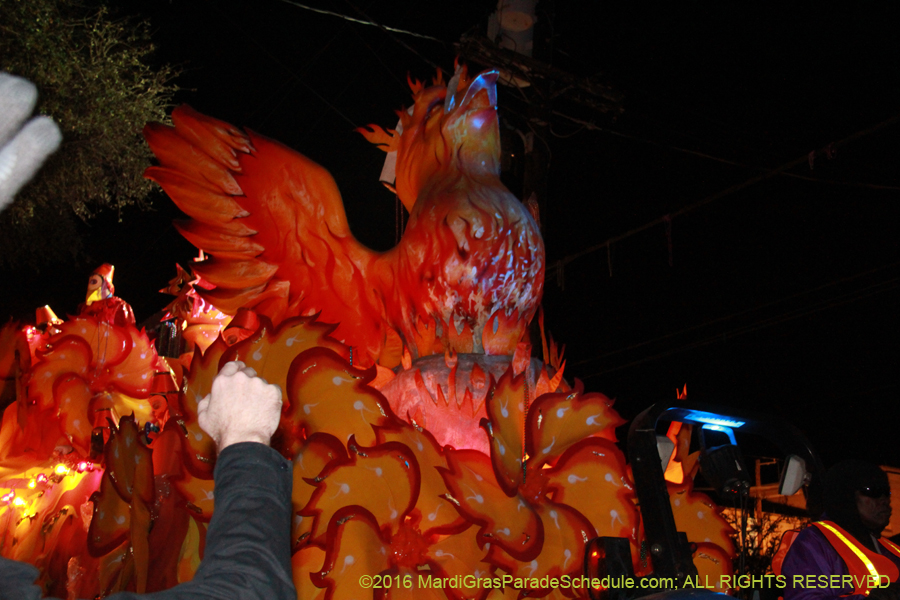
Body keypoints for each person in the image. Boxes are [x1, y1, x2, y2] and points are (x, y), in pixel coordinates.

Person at [0, 361, 296, 600]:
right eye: (152, 405)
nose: (154, 411)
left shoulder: (173, 434)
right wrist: (245, 438)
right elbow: (250, 589)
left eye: (158, 404)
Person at [777, 459, 900, 600]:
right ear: (846, 494)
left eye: (886, 492)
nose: (884, 500)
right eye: (872, 491)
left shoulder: (892, 550)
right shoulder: (814, 544)